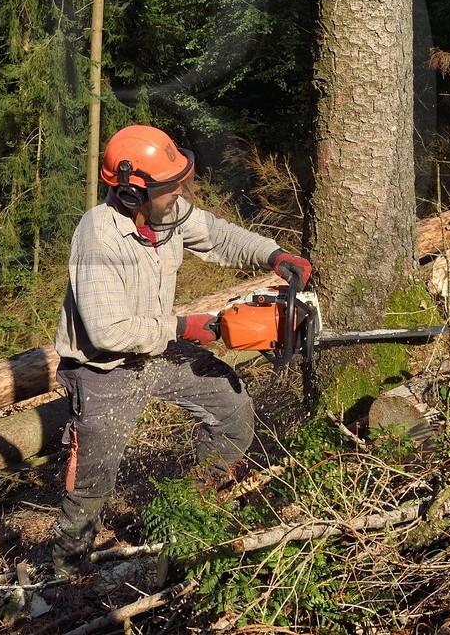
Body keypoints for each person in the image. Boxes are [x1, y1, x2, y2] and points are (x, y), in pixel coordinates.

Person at [49, 124, 312, 577]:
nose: (179, 196)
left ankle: (187, 508)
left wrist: (273, 255)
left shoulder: (166, 214)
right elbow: (107, 331)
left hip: (158, 351)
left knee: (231, 408)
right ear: (134, 193)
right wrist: (187, 327)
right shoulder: (98, 236)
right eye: (169, 188)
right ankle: (66, 574)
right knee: (93, 483)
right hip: (102, 370)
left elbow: (217, 234)